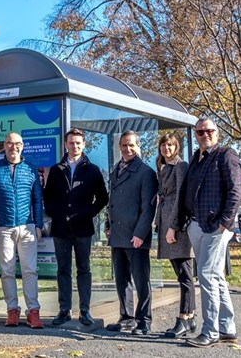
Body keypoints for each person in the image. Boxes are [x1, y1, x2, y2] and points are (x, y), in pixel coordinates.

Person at [176, 118, 241, 348]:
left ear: (217, 133)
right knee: (215, 276)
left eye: (209, 130)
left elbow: (236, 191)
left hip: (216, 227)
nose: (204, 134)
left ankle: (210, 331)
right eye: (200, 131)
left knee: (205, 275)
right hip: (196, 225)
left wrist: (224, 222)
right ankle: (227, 328)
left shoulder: (226, 155)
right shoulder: (196, 158)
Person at [43, 128, 108, 327]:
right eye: (71, 142)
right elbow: (48, 197)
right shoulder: (56, 170)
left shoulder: (93, 169)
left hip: (83, 228)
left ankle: (85, 310)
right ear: (65, 144)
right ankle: (64, 310)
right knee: (63, 269)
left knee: (84, 269)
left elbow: (103, 198)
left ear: (84, 144)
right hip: (61, 229)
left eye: (78, 143)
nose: (75, 146)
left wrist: (87, 213)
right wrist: (56, 214)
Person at [0, 132, 45, 329]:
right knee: (7, 271)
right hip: (3, 227)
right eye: (10, 143)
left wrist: (38, 225)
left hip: (27, 227)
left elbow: (37, 199)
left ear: (23, 146)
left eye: (17, 143)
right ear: (4, 146)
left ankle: (33, 311)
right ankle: (12, 310)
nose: (14, 147)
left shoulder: (30, 169)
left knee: (30, 270)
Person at [104, 131, 157, 335]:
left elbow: (148, 208)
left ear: (138, 147)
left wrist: (141, 233)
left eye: (132, 145)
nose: (128, 149)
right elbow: (112, 203)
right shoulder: (115, 170)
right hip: (117, 235)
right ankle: (126, 317)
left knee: (141, 280)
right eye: (124, 145)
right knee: (122, 279)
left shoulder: (146, 172)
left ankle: (144, 320)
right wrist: (108, 226)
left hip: (136, 236)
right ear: (119, 147)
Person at [154, 132, 196, 338]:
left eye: (170, 146)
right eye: (163, 145)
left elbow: (181, 196)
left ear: (176, 147)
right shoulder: (162, 166)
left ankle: (183, 318)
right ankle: (191, 318)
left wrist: (173, 226)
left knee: (185, 275)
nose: (166, 149)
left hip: (176, 226)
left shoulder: (181, 166)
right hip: (166, 221)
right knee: (182, 274)